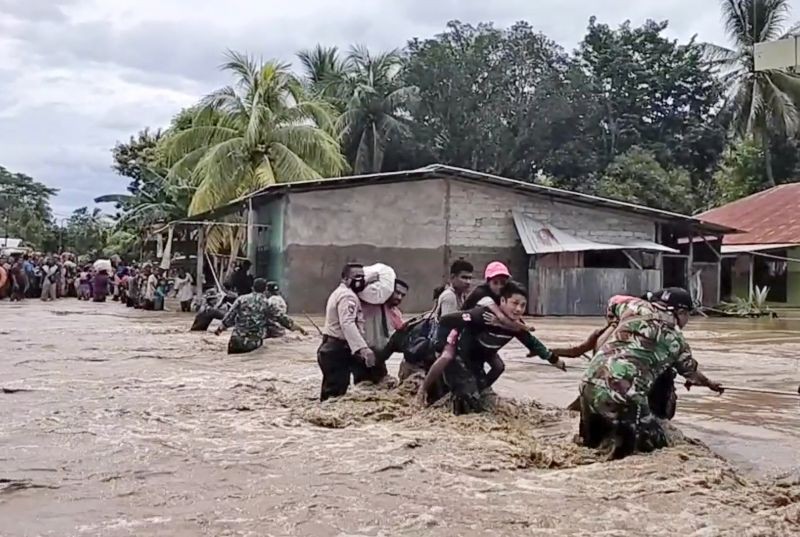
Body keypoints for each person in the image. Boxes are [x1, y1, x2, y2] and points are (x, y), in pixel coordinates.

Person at [579, 288, 724, 460]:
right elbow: (692, 374)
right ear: (681, 312)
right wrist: (710, 384)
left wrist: (615, 323)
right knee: (656, 447)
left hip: (588, 383)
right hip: (626, 394)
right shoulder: (677, 341)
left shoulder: (633, 306)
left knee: (586, 445)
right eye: (688, 315)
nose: (688, 320)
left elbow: (613, 301)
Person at [420, 280, 565, 414]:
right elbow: (446, 319)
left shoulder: (517, 327)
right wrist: (442, 347)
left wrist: (555, 361)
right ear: (502, 301)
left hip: (477, 363)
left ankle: (478, 391)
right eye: (514, 303)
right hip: (458, 360)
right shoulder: (484, 316)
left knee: (494, 376)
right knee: (470, 405)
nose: (518, 309)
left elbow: (533, 343)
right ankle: (427, 394)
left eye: (523, 305)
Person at [317, 263, 378, 401]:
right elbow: (348, 323)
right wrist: (363, 349)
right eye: (356, 277)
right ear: (345, 278)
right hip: (337, 350)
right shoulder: (347, 297)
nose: (360, 280)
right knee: (335, 395)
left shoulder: (341, 292)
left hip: (331, 347)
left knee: (334, 392)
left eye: (362, 277)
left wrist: (370, 279)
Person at [215, 278, 307, 354]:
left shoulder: (241, 299)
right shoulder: (267, 304)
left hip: (235, 341)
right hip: (253, 343)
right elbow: (282, 319)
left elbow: (229, 317)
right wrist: (300, 328)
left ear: (252, 288)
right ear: (265, 290)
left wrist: (220, 329)